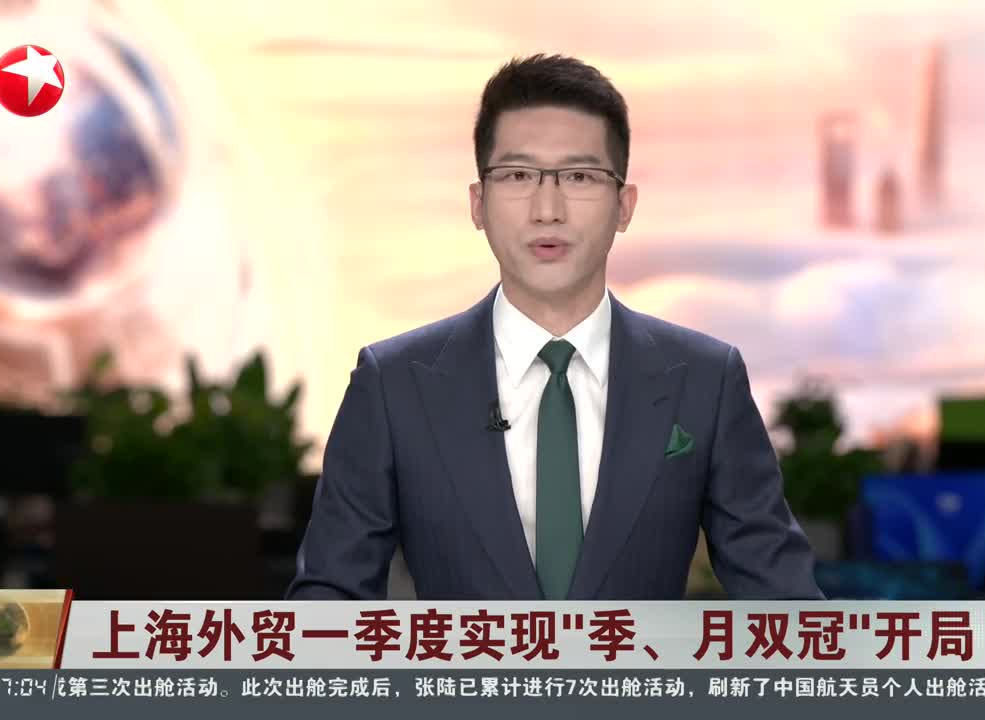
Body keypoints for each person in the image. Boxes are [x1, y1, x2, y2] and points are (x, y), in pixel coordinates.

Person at [288, 54, 823, 601]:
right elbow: (326, 607)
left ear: (624, 206)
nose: (547, 209)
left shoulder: (705, 380)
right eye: (517, 175)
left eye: (580, 176)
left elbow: (787, 607)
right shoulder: (394, 384)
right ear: (478, 204)